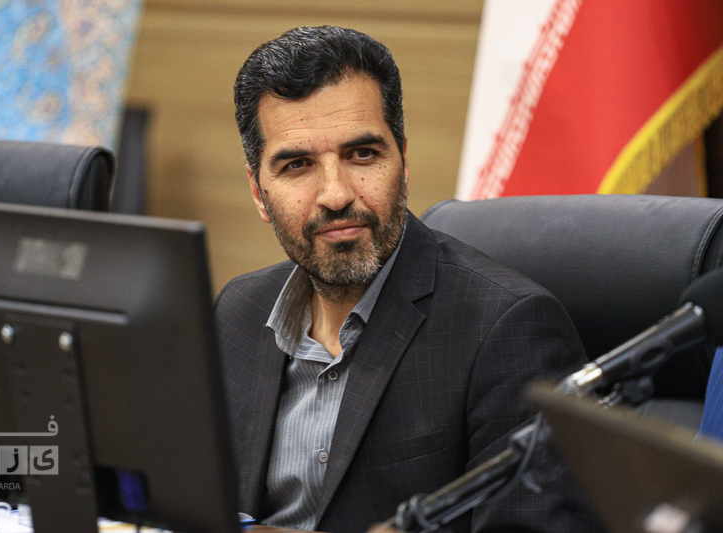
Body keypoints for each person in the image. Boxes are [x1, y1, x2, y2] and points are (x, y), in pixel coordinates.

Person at [215, 25, 602, 533]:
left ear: (402, 160)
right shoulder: (237, 310)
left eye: (362, 155)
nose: (336, 194)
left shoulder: (507, 328)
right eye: (297, 165)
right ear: (259, 192)